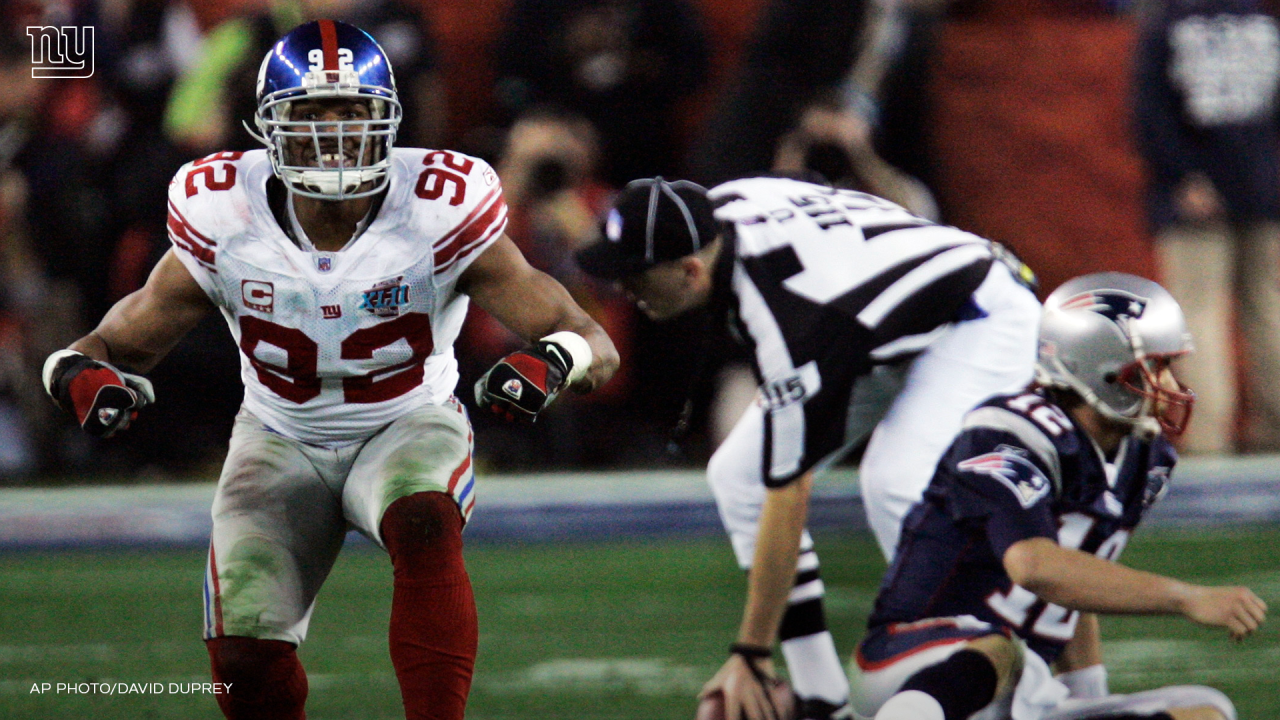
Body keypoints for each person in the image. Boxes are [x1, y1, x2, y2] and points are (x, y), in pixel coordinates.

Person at [40, 20, 618, 720]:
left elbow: (588, 337)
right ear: (268, 126)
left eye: (354, 113)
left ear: (390, 121)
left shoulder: (438, 206)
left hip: (407, 422)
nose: (335, 136)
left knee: (425, 517)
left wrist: (551, 362)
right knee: (243, 657)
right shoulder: (226, 210)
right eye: (311, 115)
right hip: (279, 434)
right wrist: (77, 375)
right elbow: (112, 342)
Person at [576, 175, 1041, 719]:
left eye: (635, 272)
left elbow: (789, 493)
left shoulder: (788, 320)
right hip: (890, 323)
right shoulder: (716, 216)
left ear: (690, 269)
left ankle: (1004, 689)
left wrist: (750, 650)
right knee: (736, 474)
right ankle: (823, 698)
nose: (623, 287)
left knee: (898, 483)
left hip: (977, 316)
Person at [850, 273, 1267, 720]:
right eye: (1154, 366)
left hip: (1019, 688)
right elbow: (1035, 567)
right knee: (1002, 649)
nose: (1169, 382)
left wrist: (1087, 696)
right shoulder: (1009, 430)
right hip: (911, 665)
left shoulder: (1145, 459)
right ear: (1102, 369)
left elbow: (1077, 581)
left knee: (1205, 712)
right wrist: (1184, 597)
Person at [1134, 0, 1280, 454]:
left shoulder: (1170, 23)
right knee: (1270, 308)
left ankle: (1207, 439)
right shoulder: (1265, 22)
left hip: (1193, 196)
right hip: (1265, 188)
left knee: (1197, 314)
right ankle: (1274, 432)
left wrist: (1181, 174)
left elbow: (1148, 112)